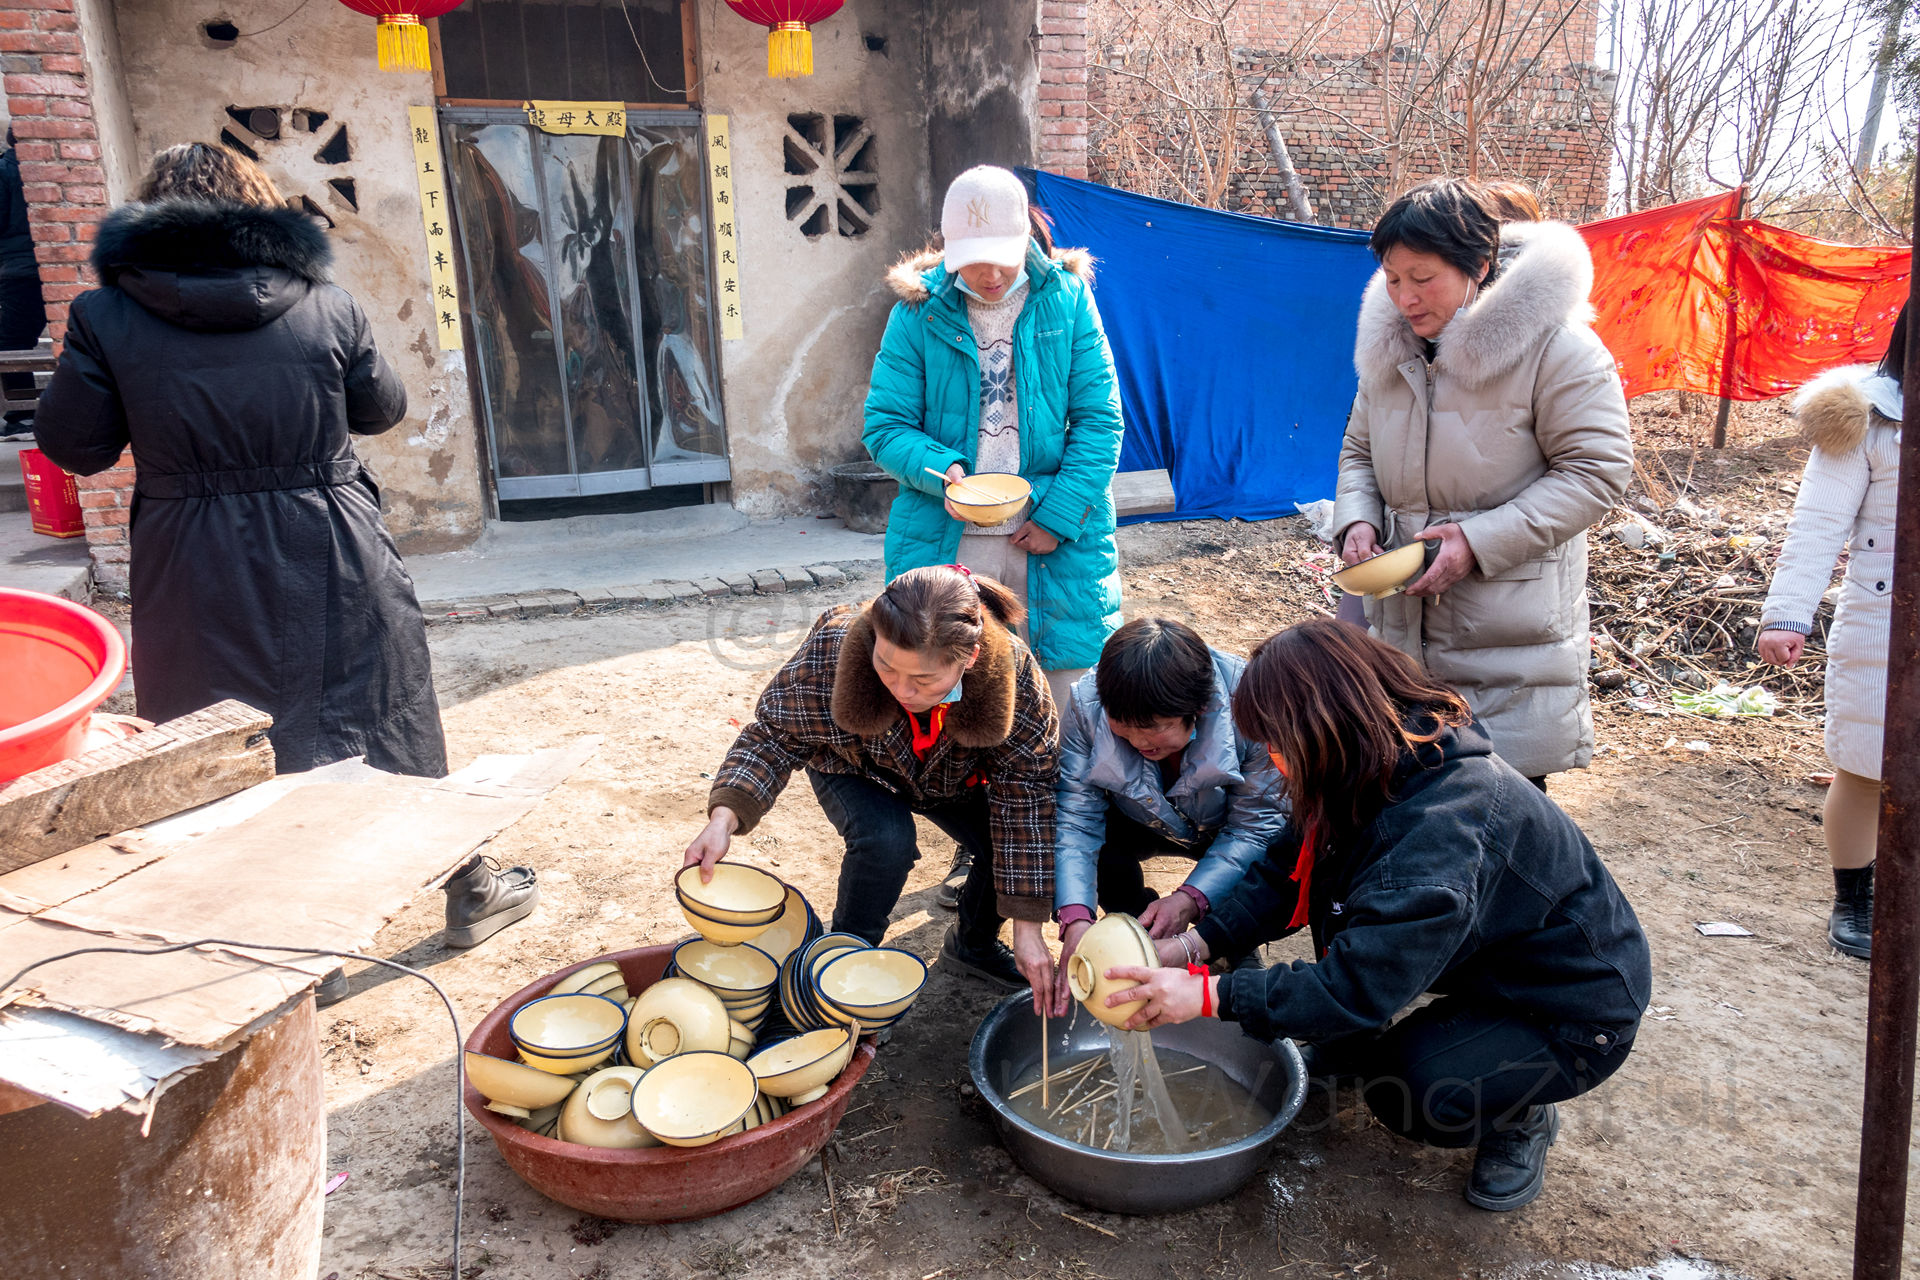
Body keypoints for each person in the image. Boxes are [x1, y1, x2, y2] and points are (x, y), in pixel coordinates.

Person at [32, 143, 535, 981]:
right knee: (380, 713)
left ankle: (291, 949)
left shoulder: (106, 316)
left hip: (192, 560)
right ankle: (471, 888)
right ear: (260, 210)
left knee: (221, 737)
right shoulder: (325, 303)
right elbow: (381, 409)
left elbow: (74, 445)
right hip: (331, 539)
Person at [1101, 620, 1650, 1213]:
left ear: (1325, 729)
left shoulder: (1437, 831)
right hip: (1474, 959)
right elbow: (1286, 876)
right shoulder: (1368, 764)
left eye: (1280, 747)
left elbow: (1357, 985)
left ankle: (1519, 1115)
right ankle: (1361, 1043)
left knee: (1412, 1090)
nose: (1277, 763)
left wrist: (1205, 996)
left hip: (1565, 1006)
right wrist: (1195, 944)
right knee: (1345, 951)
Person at [864, 163, 1125, 910]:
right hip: (950, 529)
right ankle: (979, 851)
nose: (984, 274)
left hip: (1053, 531)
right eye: (969, 259)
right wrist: (935, 468)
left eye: (999, 260)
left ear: (1025, 244)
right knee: (964, 687)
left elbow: (1100, 419)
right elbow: (884, 426)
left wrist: (1060, 512)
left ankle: (1072, 848)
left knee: (1066, 689)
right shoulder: (917, 313)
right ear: (945, 247)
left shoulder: (1066, 300)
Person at [1332, 178, 1632, 786]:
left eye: (1423, 277)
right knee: (1408, 820)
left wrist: (1478, 541)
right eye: (1393, 279)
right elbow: (1358, 451)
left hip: (1506, 630)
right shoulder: (1391, 349)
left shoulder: (1559, 348)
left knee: (1503, 820)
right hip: (1400, 627)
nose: (1405, 297)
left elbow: (1597, 470)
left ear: (1478, 265)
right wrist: (1357, 518)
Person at [684, 565, 1060, 1005]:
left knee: (1001, 846)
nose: (901, 689)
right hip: (854, 766)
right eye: (885, 665)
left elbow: (1028, 796)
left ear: (969, 659)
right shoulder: (836, 647)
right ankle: (840, 962)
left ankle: (972, 945)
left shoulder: (1012, 675)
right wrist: (724, 819)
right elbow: (774, 735)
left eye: (924, 680)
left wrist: (1027, 926)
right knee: (885, 841)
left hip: (953, 780)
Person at [1758, 306, 1906, 960]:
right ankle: (1857, 900)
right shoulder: (1867, 416)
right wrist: (1787, 616)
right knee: (1865, 767)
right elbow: (1817, 524)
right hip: (1883, 627)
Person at [1047, 618, 1285, 1012]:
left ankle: (1229, 944)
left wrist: (1191, 898)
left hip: (1226, 824)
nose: (1140, 742)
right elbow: (1076, 817)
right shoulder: (1088, 703)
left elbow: (1256, 827)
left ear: (1200, 708)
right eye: (1123, 728)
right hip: (1137, 814)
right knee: (1101, 847)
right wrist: (1075, 916)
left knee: (1259, 864)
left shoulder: (1252, 703)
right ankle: (1133, 929)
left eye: (1155, 728)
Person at [0, 127, 46, 433]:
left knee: (12, 342)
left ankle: (21, 415)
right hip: (44, 265)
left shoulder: (5, 171)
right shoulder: (44, 168)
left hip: (18, 271)